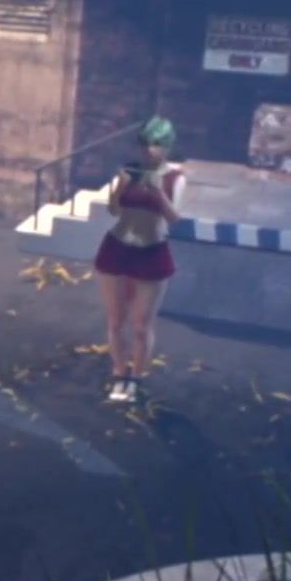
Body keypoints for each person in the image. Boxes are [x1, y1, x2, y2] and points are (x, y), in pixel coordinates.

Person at [94, 116, 186, 403]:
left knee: (141, 326)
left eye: (156, 144)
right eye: (145, 144)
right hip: (117, 247)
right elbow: (113, 210)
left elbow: (174, 218)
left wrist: (158, 192)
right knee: (115, 321)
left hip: (151, 252)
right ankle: (119, 372)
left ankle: (136, 376)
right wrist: (120, 187)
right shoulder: (130, 171)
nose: (149, 150)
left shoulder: (174, 178)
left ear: (167, 147)